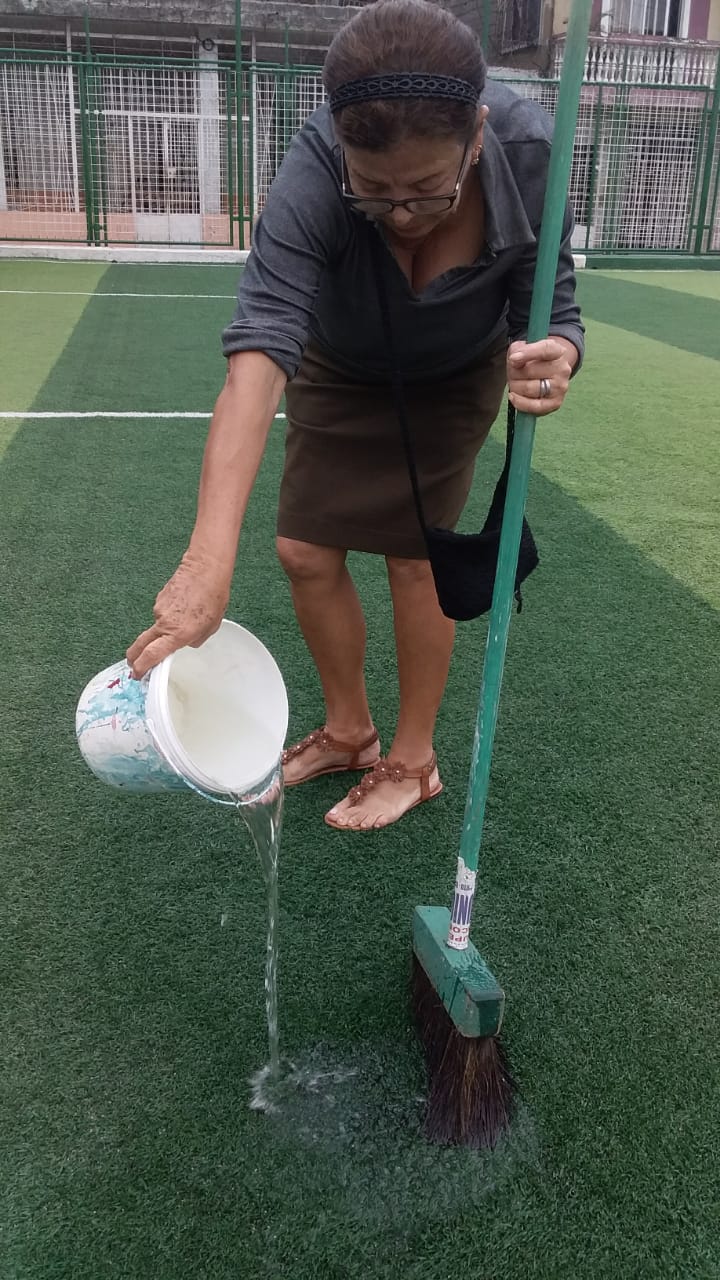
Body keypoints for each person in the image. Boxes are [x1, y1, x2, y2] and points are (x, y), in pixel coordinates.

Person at [127, 0, 584, 831]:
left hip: (456, 371)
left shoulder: (528, 150)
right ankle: (349, 731)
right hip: (341, 361)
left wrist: (557, 355)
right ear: (342, 146)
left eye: (427, 189)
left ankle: (414, 760)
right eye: (373, 191)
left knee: (416, 558)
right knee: (302, 550)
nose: (402, 215)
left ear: (476, 136)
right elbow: (262, 346)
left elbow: (551, 307)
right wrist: (206, 561)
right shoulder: (312, 166)